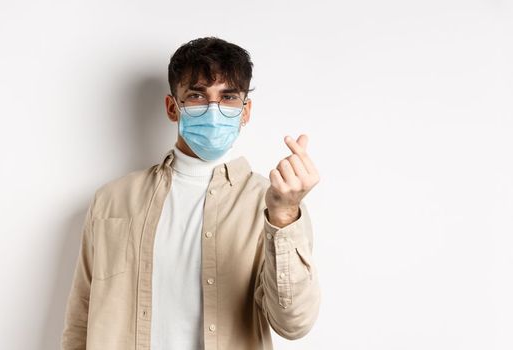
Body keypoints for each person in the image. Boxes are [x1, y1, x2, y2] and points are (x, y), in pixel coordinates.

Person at [61, 36, 321, 350]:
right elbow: (80, 320)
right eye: (197, 95)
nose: (214, 110)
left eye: (228, 97)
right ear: (173, 107)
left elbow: (293, 324)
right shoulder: (112, 200)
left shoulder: (271, 202)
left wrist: (282, 215)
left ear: (245, 111)